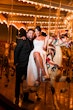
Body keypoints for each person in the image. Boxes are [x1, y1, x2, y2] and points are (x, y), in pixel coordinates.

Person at [14, 28, 34, 105]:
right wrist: (16, 62)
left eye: (32, 34)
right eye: (30, 33)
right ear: (27, 33)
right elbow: (16, 51)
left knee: (27, 82)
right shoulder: (22, 41)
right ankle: (16, 96)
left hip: (28, 66)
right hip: (20, 64)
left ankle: (25, 98)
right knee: (18, 81)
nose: (31, 35)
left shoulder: (33, 42)